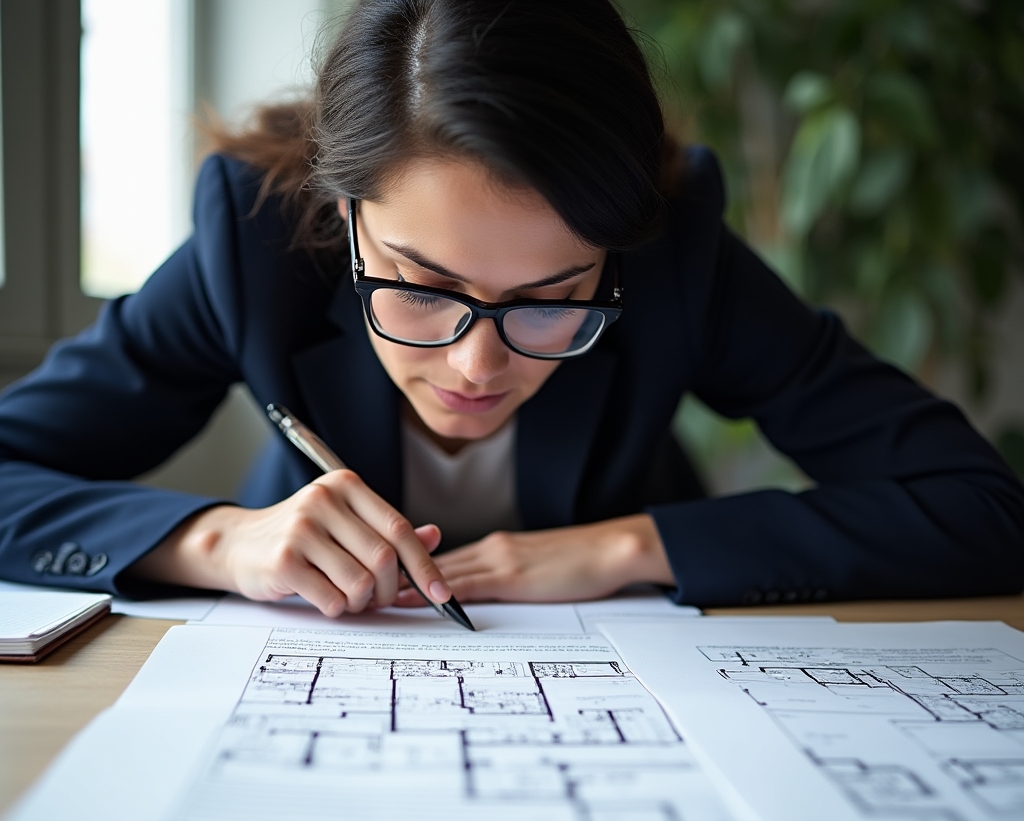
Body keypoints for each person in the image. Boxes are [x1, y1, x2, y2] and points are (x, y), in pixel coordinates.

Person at [0, 0, 1022, 614]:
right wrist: (216, 542)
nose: (475, 368)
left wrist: (631, 548)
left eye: (550, 298)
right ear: (347, 216)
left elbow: (981, 509)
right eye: (422, 285)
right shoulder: (258, 243)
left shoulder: (675, 251)